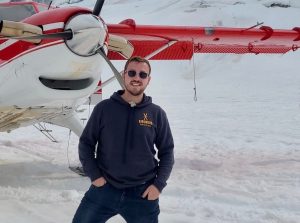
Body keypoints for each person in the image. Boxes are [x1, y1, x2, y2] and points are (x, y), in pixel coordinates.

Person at [72, 56, 175, 223]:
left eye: (142, 75)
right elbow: (86, 144)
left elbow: (167, 152)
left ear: (148, 80)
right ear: (124, 75)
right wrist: (95, 176)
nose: (137, 78)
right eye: (132, 73)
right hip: (104, 190)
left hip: (142, 194)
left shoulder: (157, 114)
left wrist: (158, 185)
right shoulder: (103, 109)